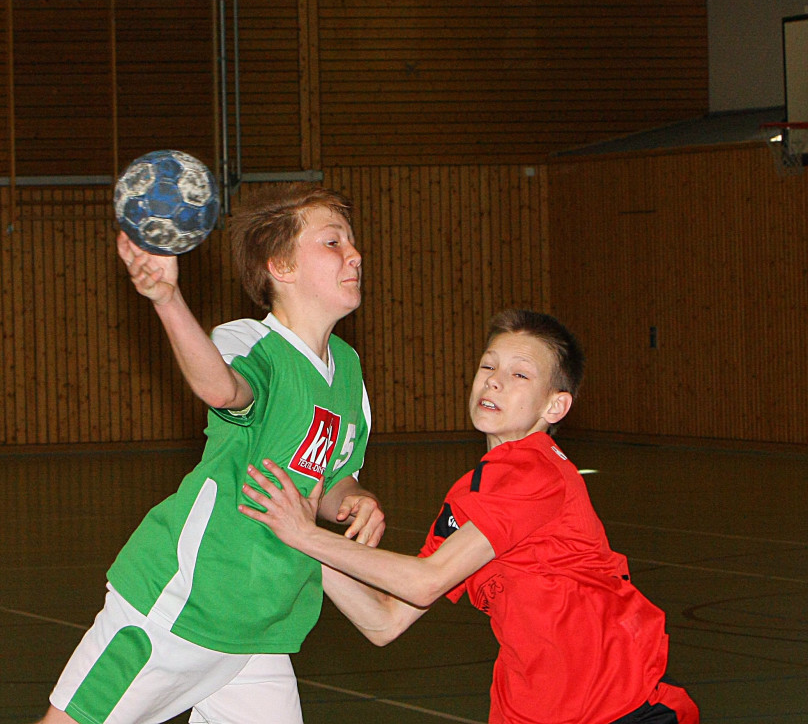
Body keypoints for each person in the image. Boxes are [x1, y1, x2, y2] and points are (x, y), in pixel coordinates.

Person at [239, 309, 700, 724]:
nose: (494, 381)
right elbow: (385, 621)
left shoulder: (537, 471)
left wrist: (307, 536)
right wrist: (299, 536)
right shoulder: (469, 495)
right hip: (528, 710)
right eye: (488, 366)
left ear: (554, 406)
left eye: (519, 374)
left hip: (619, 709)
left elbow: (425, 581)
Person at [40, 182, 385, 724]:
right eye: (332, 241)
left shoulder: (349, 371)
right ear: (281, 267)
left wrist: (353, 499)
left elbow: (330, 477)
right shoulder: (251, 342)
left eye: (351, 241)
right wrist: (167, 299)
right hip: (183, 605)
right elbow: (223, 389)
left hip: (261, 625)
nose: (354, 254)